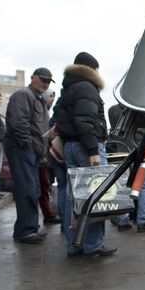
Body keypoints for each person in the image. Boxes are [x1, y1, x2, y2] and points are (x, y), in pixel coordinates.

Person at [54, 51, 116, 257]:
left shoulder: (68, 89)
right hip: (86, 147)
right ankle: (93, 245)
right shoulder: (87, 88)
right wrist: (92, 149)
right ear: (91, 69)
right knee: (97, 196)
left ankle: (74, 244)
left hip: (71, 146)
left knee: (74, 198)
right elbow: (85, 120)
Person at [4, 67, 54, 243]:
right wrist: (29, 144)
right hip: (22, 148)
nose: (46, 84)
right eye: (43, 80)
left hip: (29, 148)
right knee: (27, 187)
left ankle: (29, 228)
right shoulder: (24, 95)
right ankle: (25, 231)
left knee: (33, 188)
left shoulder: (37, 99)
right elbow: (18, 122)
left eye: (48, 81)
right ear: (33, 78)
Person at [38, 88, 60, 224]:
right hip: (42, 155)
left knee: (46, 184)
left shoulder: (47, 114)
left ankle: (48, 212)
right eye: (50, 96)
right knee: (43, 185)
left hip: (48, 155)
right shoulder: (41, 114)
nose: (51, 99)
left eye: (53, 96)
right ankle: (47, 213)